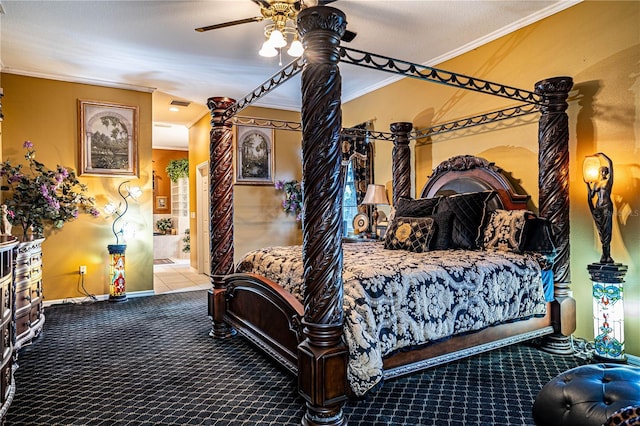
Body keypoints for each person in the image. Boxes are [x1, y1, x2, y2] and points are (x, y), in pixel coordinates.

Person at [586, 153, 614, 263]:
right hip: (599, 208)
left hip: (607, 207)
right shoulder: (596, 183)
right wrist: (587, 184)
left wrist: (602, 155)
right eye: (601, 171)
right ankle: (605, 255)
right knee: (601, 231)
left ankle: (607, 255)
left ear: (607, 173)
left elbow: (610, 163)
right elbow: (591, 195)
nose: (602, 173)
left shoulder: (609, 182)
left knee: (607, 231)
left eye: (604, 171)